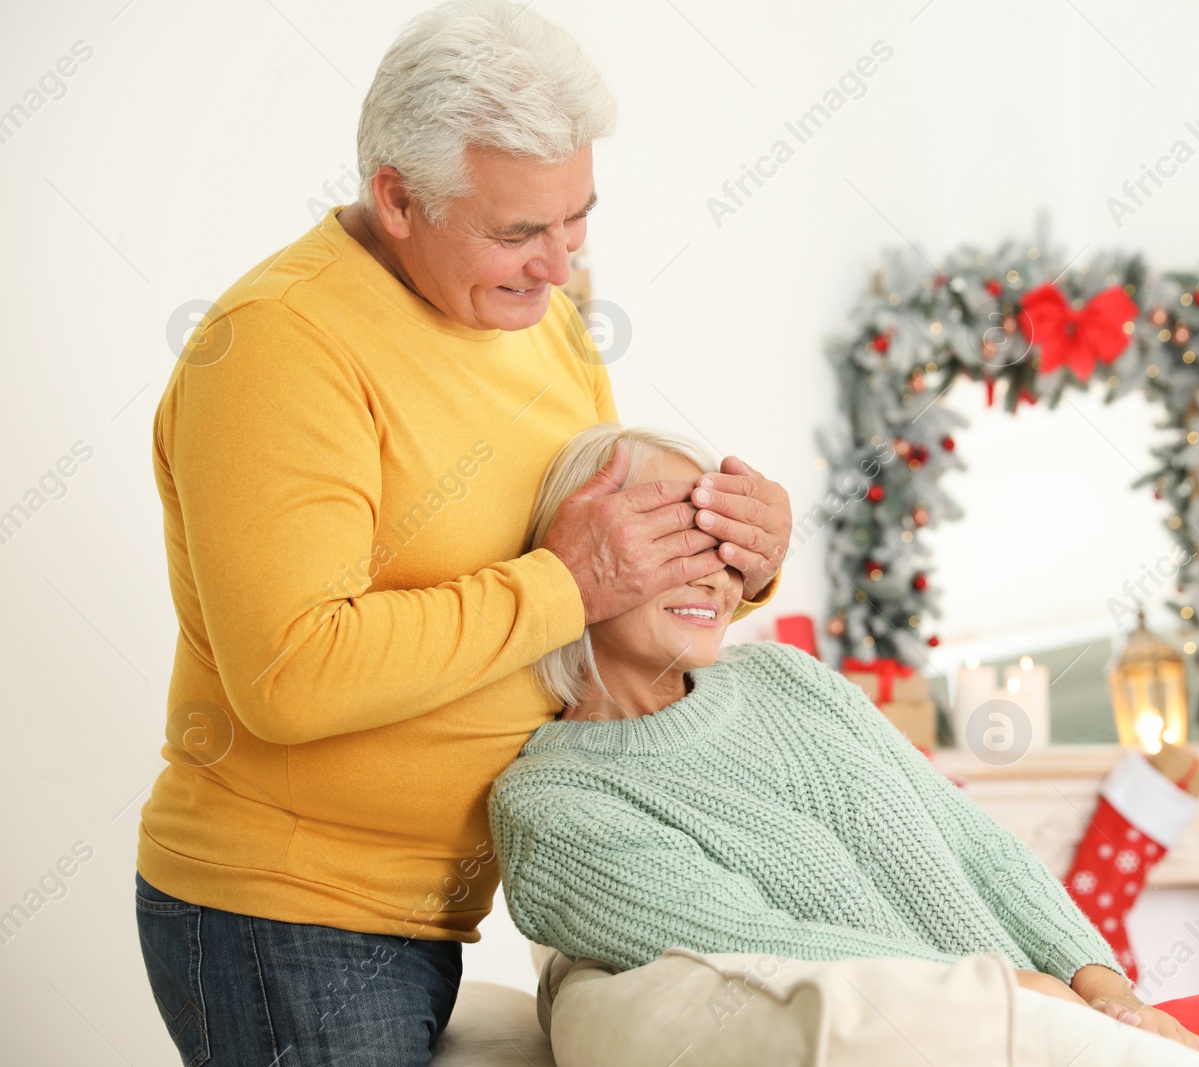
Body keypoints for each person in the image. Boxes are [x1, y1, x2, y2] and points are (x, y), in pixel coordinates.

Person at [134, 4, 791, 1065]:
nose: (557, 262)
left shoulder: (549, 322)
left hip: (448, 908)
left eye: (577, 217)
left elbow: (601, 575)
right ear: (396, 197)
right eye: (518, 230)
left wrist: (736, 553)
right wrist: (562, 583)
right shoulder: (280, 346)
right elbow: (291, 672)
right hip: (290, 913)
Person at [490, 425, 1199, 1066]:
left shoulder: (784, 675)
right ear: (578, 552)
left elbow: (972, 839)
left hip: (1064, 1025)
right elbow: (769, 948)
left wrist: (1105, 990)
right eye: (672, 538)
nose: (717, 572)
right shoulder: (552, 804)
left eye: (724, 540)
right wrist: (1024, 1000)